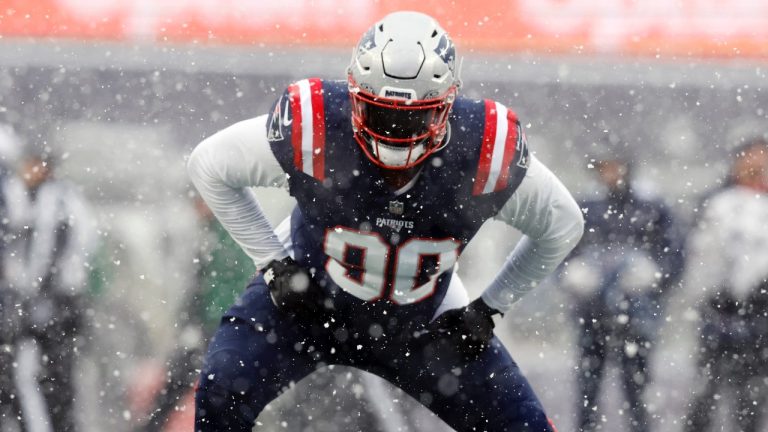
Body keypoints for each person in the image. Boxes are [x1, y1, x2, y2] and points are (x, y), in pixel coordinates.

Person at [187, 11, 584, 432]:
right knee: (221, 389)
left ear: (447, 105)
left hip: (420, 327)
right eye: (379, 113)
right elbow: (209, 167)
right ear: (355, 95)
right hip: (306, 307)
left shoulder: (481, 150)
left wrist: (489, 309)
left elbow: (562, 226)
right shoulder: (317, 128)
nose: (394, 132)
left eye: (414, 117)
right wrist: (273, 263)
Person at [559, 148, 684, 432]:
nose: (610, 174)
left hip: (638, 316)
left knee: (637, 388)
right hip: (592, 313)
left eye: (615, 167)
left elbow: (674, 252)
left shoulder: (651, 207)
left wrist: (655, 275)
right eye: (604, 168)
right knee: (588, 388)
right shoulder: (584, 206)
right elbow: (559, 249)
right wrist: (572, 274)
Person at [2, 143, 96, 431]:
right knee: (24, 375)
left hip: (56, 304)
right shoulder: (19, 197)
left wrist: (37, 291)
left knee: (55, 378)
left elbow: (58, 251)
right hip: (30, 304)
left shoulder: (60, 200)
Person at [683, 137, 768, 432]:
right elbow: (697, 260)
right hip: (718, 316)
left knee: (751, 401)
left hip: (761, 321)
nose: (756, 168)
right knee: (704, 395)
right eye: (750, 160)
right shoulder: (717, 204)